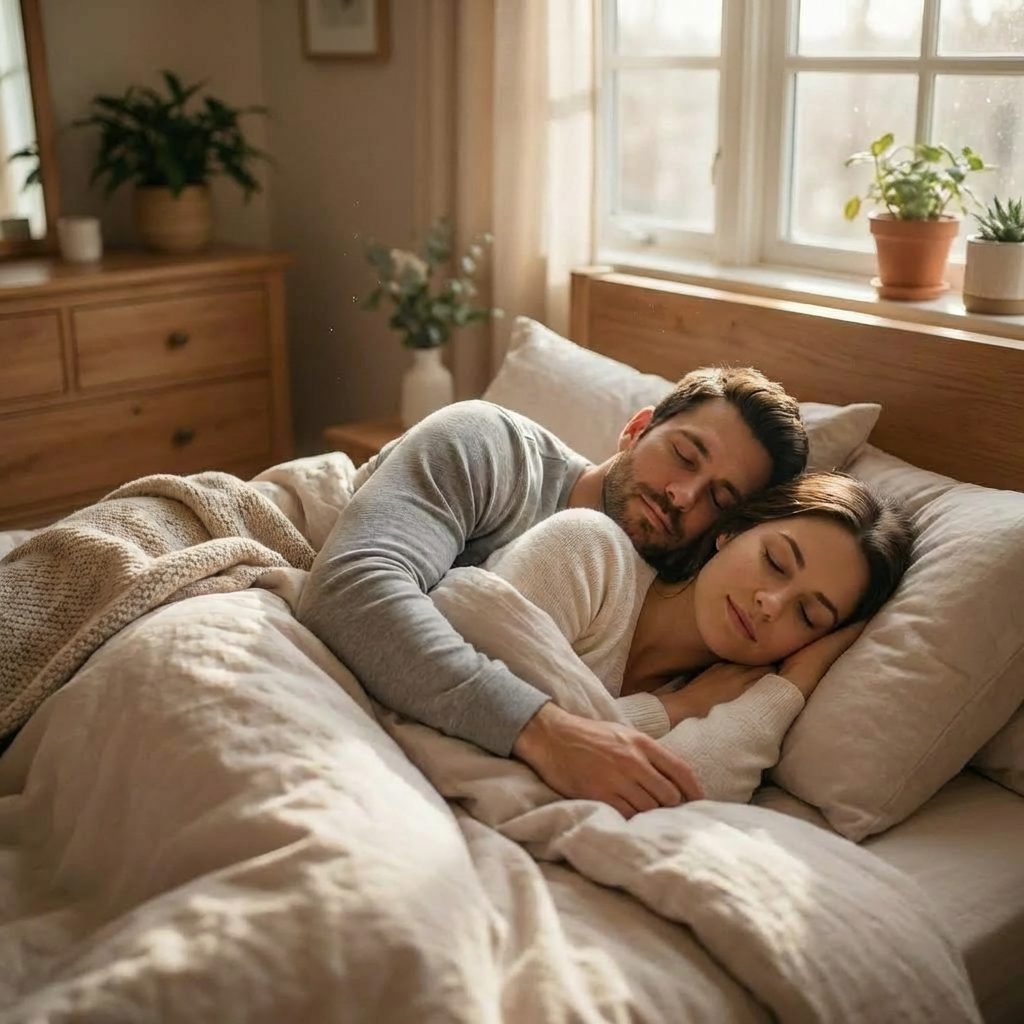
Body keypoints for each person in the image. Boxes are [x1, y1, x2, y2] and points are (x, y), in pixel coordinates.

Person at [297, 366, 809, 812]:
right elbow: (349, 586)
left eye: (718, 498)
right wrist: (543, 732)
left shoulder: (680, 612)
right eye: (684, 454)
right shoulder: (488, 446)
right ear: (637, 428)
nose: (683, 494)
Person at [469, 472, 914, 814]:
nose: (771, 604)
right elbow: (486, 716)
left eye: (808, 615)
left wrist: (789, 689)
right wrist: (678, 708)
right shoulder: (587, 551)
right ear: (732, 531)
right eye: (775, 562)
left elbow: (675, 802)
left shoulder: (730, 705)